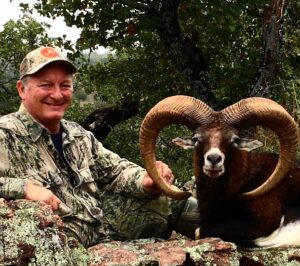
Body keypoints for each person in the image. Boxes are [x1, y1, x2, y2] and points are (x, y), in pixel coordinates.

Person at [0, 46, 199, 247]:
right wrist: (23, 189)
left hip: (103, 232)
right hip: (60, 249)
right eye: (46, 85)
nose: (58, 95)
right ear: (21, 89)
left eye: (65, 85)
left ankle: (227, 230)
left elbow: (116, 171)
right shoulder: (5, 133)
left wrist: (145, 179)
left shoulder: (77, 135)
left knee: (167, 195)